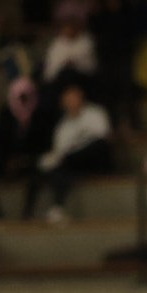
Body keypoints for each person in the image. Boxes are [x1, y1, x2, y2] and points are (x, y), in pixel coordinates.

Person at [26, 83, 114, 222]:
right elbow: (60, 151)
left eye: (74, 97)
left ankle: (57, 207)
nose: (71, 101)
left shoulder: (95, 114)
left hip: (95, 158)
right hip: (72, 163)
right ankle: (34, 212)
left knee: (94, 148)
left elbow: (102, 139)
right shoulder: (62, 126)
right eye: (68, 99)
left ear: (81, 97)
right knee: (51, 167)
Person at [91, 0, 145, 129]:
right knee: (107, 90)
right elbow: (95, 28)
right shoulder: (98, 8)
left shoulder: (127, 5)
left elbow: (133, 27)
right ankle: (111, 125)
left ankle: (134, 124)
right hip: (106, 54)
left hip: (124, 52)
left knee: (127, 88)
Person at [41, 0, 98, 92]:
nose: (69, 28)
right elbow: (49, 73)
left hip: (82, 83)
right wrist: (63, 65)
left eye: (72, 24)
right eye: (66, 25)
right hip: (60, 85)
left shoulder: (86, 42)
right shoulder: (56, 45)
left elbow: (92, 68)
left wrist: (75, 64)